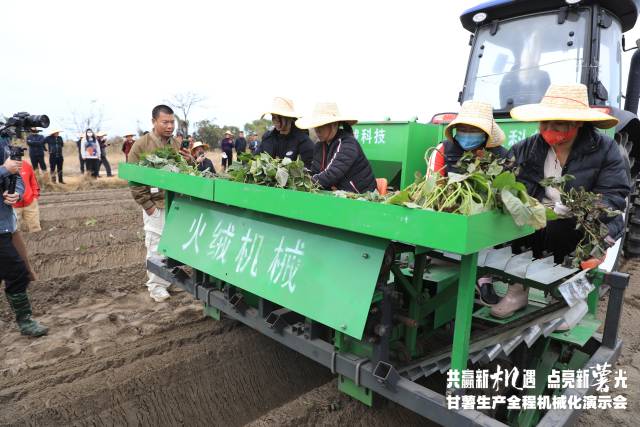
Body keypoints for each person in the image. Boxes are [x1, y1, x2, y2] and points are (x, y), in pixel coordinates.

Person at [491, 83, 630, 318]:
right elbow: (508, 179)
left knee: (565, 232)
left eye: (558, 124)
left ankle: (572, 301)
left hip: (577, 221)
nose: (548, 129)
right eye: (544, 123)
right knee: (516, 223)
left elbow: (614, 195)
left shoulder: (604, 149)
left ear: (578, 124)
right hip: (538, 214)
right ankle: (517, 290)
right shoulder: (528, 148)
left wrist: (599, 234)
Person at [427, 100, 507, 305]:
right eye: (463, 128)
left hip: (484, 222)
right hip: (450, 214)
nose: (467, 133)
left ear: (486, 133)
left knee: (492, 222)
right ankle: (436, 257)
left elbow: (503, 194)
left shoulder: (500, 157)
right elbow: (432, 187)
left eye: (474, 129)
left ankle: (484, 277)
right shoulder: (443, 151)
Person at [128, 104, 185, 302]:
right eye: (165, 122)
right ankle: (156, 286)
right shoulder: (141, 145)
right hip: (155, 205)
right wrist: (148, 205)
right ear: (154, 122)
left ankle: (168, 281)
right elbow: (134, 179)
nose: (170, 126)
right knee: (155, 244)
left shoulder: (174, 145)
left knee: (172, 245)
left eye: (172, 122)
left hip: (174, 204)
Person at [0, 148, 48, 336]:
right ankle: (25, 321)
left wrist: (16, 194)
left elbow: (18, 178)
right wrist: (4, 169)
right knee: (18, 273)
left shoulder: (3, 144)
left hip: (6, 225)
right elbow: (7, 170)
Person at [297, 102, 376, 193]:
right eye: (315, 126)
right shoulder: (320, 146)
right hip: (338, 193)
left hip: (361, 195)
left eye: (321, 125)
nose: (317, 130)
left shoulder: (347, 143)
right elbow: (315, 171)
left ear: (334, 124)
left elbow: (331, 174)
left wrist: (306, 182)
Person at [257, 97, 314, 169]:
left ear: (290, 118)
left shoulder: (303, 141)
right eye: (273, 117)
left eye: (280, 116)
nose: (276, 120)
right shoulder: (268, 138)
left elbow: (308, 169)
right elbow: (256, 158)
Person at [13, 159, 41, 233]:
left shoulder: (26, 165)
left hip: (30, 203)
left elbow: (33, 181)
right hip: (13, 206)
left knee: (35, 229)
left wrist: (35, 196)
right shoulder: (4, 167)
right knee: (14, 232)